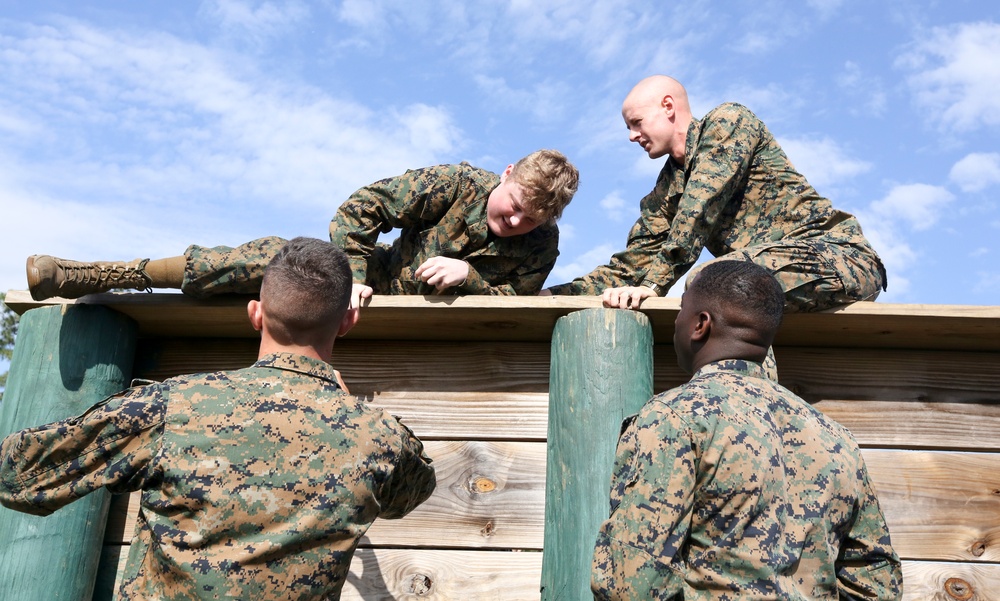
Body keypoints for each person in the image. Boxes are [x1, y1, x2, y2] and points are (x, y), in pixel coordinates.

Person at [1, 237, 437, 600]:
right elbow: (412, 491)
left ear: (255, 314)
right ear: (347, 321)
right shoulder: (380, 439)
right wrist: (351, 411)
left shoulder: (172, 406)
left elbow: (15, 474)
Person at [590, 260, 902, 600]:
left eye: (681, 310)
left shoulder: (674, 417)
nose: (677, 321)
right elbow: (877, 582)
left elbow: (632, 581)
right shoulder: (836, 437)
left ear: (700, 324)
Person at [26, 149, 579, 309]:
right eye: (513, 206)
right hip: (369, 283)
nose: (514, 222)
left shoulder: (541, 242)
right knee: (274, 257)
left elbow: (516, 298)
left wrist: (469, 277)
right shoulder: (456, 182)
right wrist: (357, 274)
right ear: (506, 174)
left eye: (530, 218)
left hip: (438, 324)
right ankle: (105, 273)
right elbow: (360, 209)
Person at [546, 75, 887, 312]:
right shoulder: (666, 192)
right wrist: (549, 295)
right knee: (721, 286)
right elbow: (632, 265)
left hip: (837, 257)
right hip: (762, 281)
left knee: (713, 281)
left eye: (636, 122)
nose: (632, 136)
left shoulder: (728, 122)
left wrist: (653, 286)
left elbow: (701, 205)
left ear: (668, 106)